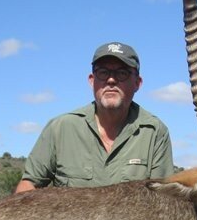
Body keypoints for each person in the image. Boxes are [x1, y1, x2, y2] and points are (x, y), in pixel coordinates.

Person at [14, 42, 174, 192]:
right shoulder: (61, 127)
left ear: (137, 83)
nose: (111, 80)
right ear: (92, 81)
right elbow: (28, 185)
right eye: (103, 72)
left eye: (122, 73)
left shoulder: (155, 132)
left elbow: (164, 199)